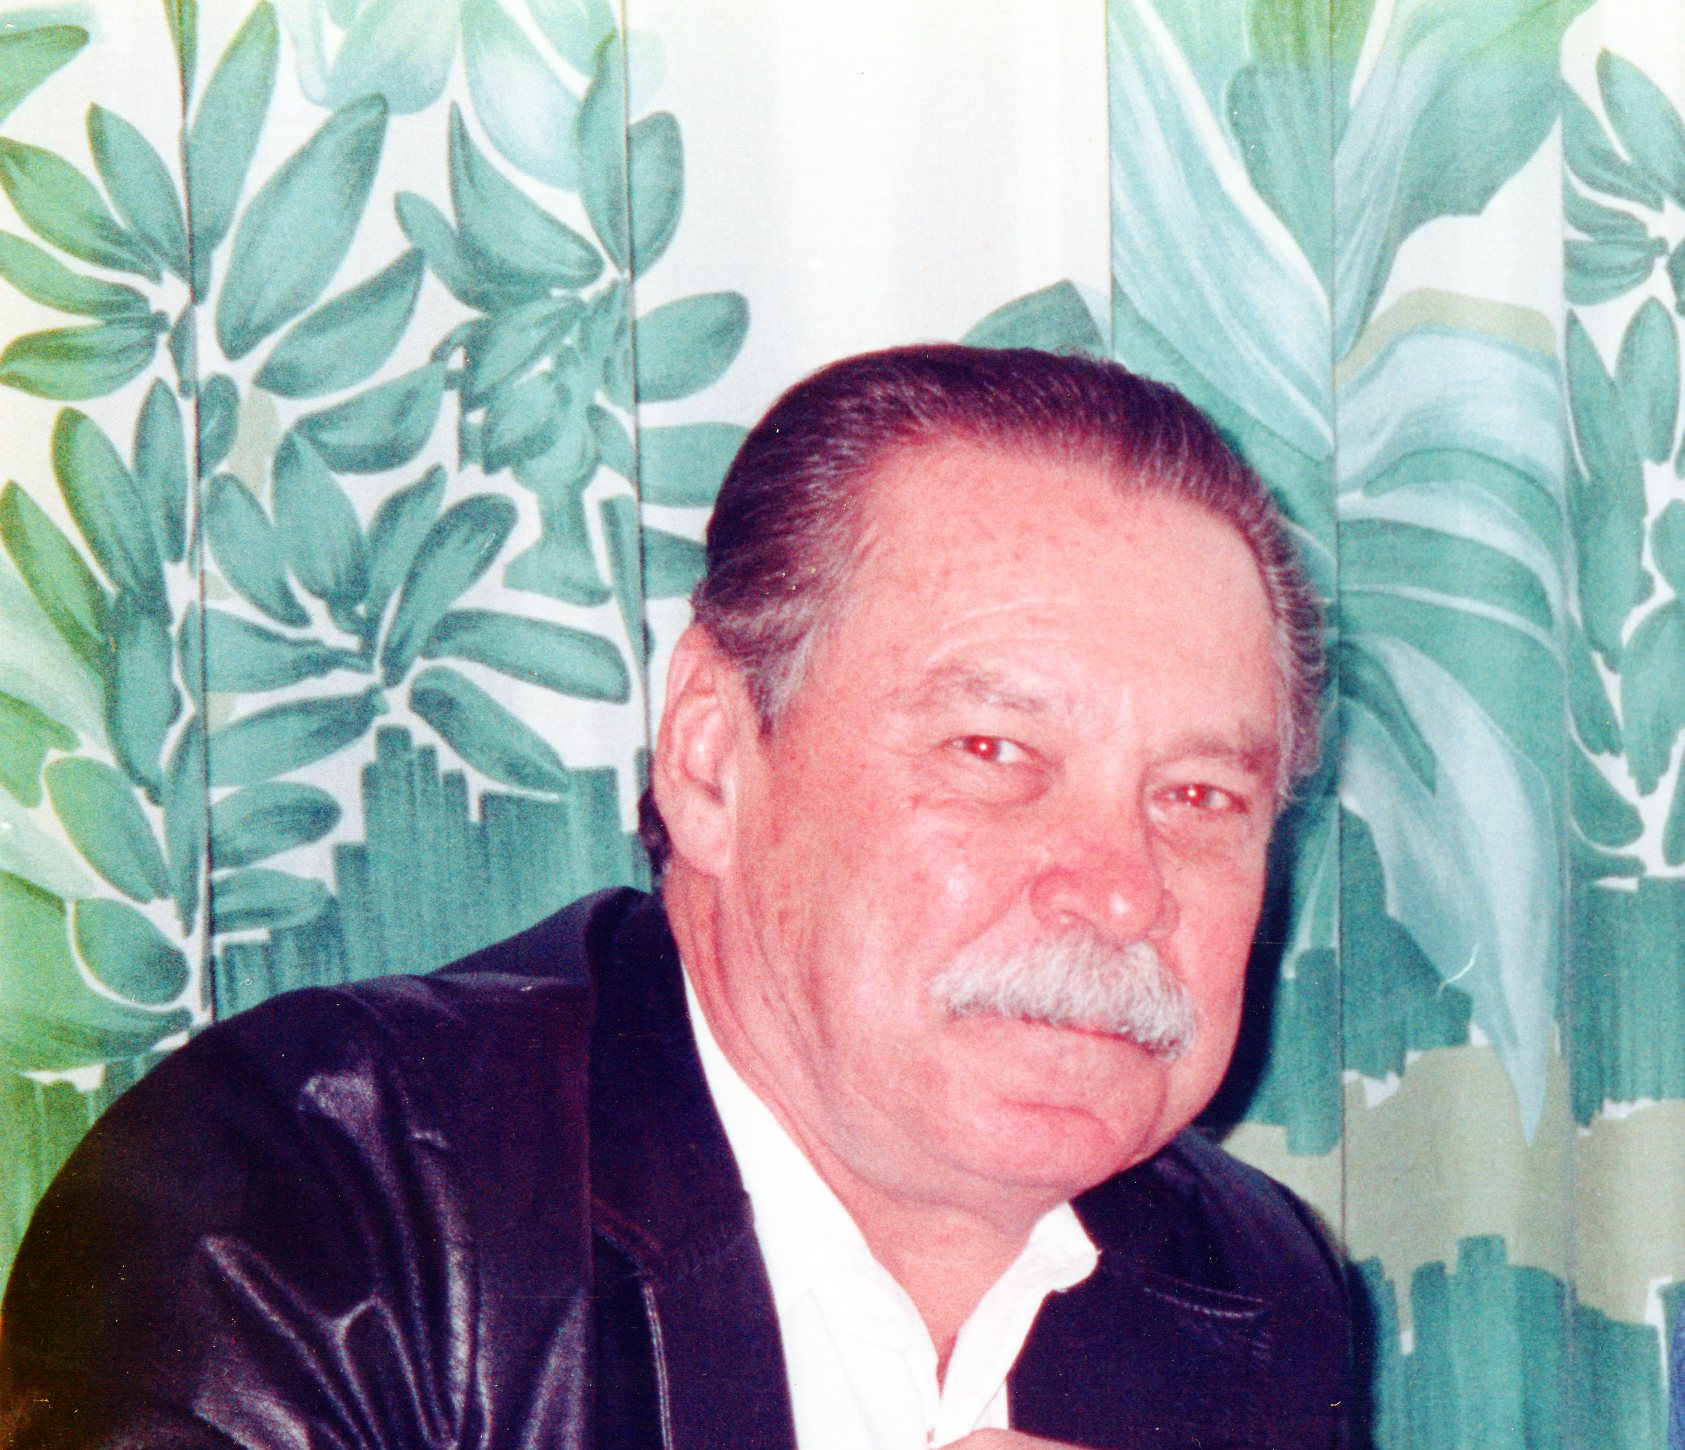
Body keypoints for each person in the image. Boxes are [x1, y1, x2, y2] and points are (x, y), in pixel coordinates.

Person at [0, 346, 1349, 1448]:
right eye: (991, 752)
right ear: (712, 760)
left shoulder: (1254, 1280)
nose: (1118, 891)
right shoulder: (309, 1200)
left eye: (1199, 795)